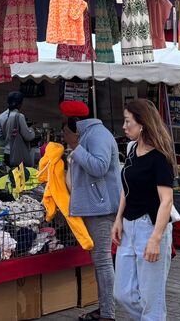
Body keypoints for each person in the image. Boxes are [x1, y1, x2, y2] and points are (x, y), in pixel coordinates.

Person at [113, 98, 175, 321]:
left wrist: (155, 239)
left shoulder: (160, 158)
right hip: (128, 227)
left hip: (150, 227)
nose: (124, 126)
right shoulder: (131, 150)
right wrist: (118, 219)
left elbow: (166, 200)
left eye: (128, 121)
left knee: (152, 298)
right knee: (122, 293)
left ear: (143, 124)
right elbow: (126, 188)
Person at [61, 100, 120, 321]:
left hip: (101, 208)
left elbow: (99, 167)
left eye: (65, 125)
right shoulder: (90, 135)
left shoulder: (97, 136)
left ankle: (108, 314)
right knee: (99, 260)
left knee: (103, 260)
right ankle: (104, 309)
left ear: (74, 123)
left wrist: (75, 148)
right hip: (95, 206)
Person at [0, 91, 36, 168]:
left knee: (8, 176)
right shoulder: (19, 116)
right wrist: (32, 130)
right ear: (20, 104)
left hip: (6, 153)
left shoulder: (2, 115)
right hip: (17, 154)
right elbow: (28, 136)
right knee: (18, 178)